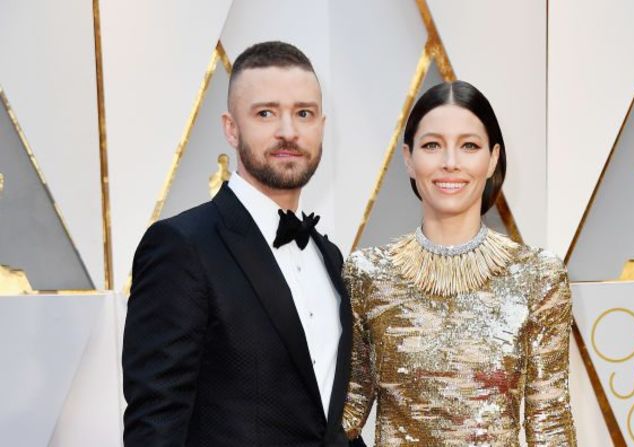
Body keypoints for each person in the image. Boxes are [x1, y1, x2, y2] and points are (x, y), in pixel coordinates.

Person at [122, 41, 353, 446]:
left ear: (321, 125)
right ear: (231, 128)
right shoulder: (181, 247)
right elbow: (155, 424)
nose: (288, 131)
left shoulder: (329, 257)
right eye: (266, 113)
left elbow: (329, 425)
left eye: (304, 113)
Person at [341, 81, 577, 446]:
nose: (450, 163)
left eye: (469, 146)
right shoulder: (368, 275)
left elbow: (550, 424)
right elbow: (346, 413)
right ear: (408, 158)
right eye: (432, 145)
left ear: (493, 158)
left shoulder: (537, 276)